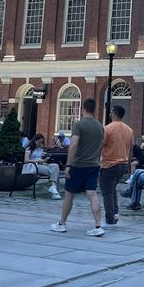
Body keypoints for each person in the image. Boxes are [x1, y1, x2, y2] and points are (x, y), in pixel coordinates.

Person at [50, 98, 105, 236]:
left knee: (69, 194)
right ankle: (98, 225)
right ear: (94, 109)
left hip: (78, 165)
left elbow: (73, 145)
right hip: (93, 165)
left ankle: (62, 223)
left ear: (83, 109)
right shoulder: (100, 126)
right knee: (92, 194)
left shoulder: (78, 125)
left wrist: (68, 165)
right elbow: (101, 144)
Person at [100, 105, 133, 227]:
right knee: (112, 189)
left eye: (110, 112)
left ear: (113, 113)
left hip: (109, 164)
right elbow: (130, 150)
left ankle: (110, 218)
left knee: (107, 192)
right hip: (122, 164)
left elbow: (101, 144)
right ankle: (115, 213)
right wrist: (128, 165)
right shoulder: (129, 130)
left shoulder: (107, 128)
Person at [24, 133, 61, 200]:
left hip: (41, 164)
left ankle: (53, 187)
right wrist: (37, 161)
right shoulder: (29, 149)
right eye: (39, 142)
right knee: (53, 171)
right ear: (35, 141)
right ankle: (54, 190)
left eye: (42, 142)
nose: (40, 144)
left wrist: (44, 160)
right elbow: (26, 160)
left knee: (55, 166)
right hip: (33, 166)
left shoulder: (40, 149)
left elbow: (40, 159)